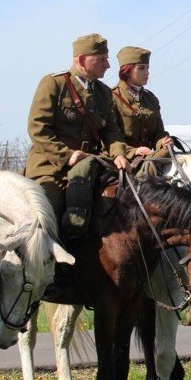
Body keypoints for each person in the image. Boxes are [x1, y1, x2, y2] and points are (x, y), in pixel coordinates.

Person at [25, 33, 129, 244]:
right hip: (52, 166)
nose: (108, 65)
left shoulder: (103, 93)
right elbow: (37, 128)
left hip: (90, 163)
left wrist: (118, 154)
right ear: (82, 60)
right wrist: (67, 156)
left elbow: (111, 132)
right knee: (46, 213)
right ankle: (41, 267)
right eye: (101, 59)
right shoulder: (53, 84)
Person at [110, 46, 172, 169]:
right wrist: (135, 151)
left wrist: (163, 142)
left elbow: (158, 133)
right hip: (123, 159)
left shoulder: (151, 99)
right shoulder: (111, 97)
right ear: (127, 70)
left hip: (149, 156)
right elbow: (109, 137)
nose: (147, 72)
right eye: (141, 68)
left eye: (148, 68)